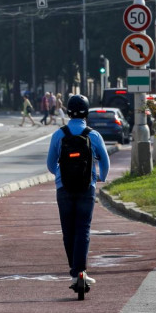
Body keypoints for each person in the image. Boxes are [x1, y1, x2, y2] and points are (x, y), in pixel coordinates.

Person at [45, 94, 110, 290]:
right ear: (86, 112)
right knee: (83, 229)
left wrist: (60, 175)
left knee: (68, 230)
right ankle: (81, 271)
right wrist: (100, 178)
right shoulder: (93, 135)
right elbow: (105, 162)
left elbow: (50, 164)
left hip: (63, 188)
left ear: (68, 111)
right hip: (86, 188)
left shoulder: (59, 134)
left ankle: (75, 273)